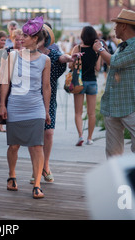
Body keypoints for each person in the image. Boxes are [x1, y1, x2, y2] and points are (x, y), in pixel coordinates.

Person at [93, 9, 135, 205]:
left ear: (123, 26)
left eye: (116, 24)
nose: (114, 28)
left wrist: (99, 49)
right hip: (113, 105)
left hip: (132, 106)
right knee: (113, 152)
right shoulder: (122, 46)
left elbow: (115, 62)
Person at [0, 16, 51, 199]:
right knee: (14, 145)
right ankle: (12, 175)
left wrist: (46, 111)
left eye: (26, 36)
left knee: (37, 146)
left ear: (35, 39)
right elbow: (5, 82)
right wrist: (2, 105)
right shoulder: (12, 56)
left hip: (35, 106)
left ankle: (37, 185)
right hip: (15, 105)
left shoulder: (45, 60)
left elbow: (46, 87)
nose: (22, 39)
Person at [34, 23, 80, 184]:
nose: (40, 39)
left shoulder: (52, 54)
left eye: (42, 36)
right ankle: (37, 168)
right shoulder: (28, 54)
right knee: (35, 135)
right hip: (31, 99)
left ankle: (45, 165)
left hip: (48, 98)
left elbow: (63, 57)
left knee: (49, 133)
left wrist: (70, 58)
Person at [69, 26, 101, 146]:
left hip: (79, 83)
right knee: (91, 113)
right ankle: (90, 138)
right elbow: (98, 68)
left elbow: (70, 66)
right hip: (92, 82)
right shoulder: (97, 50)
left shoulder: (77, 48)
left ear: (82, 36)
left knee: (78, 112)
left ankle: (80, 136)